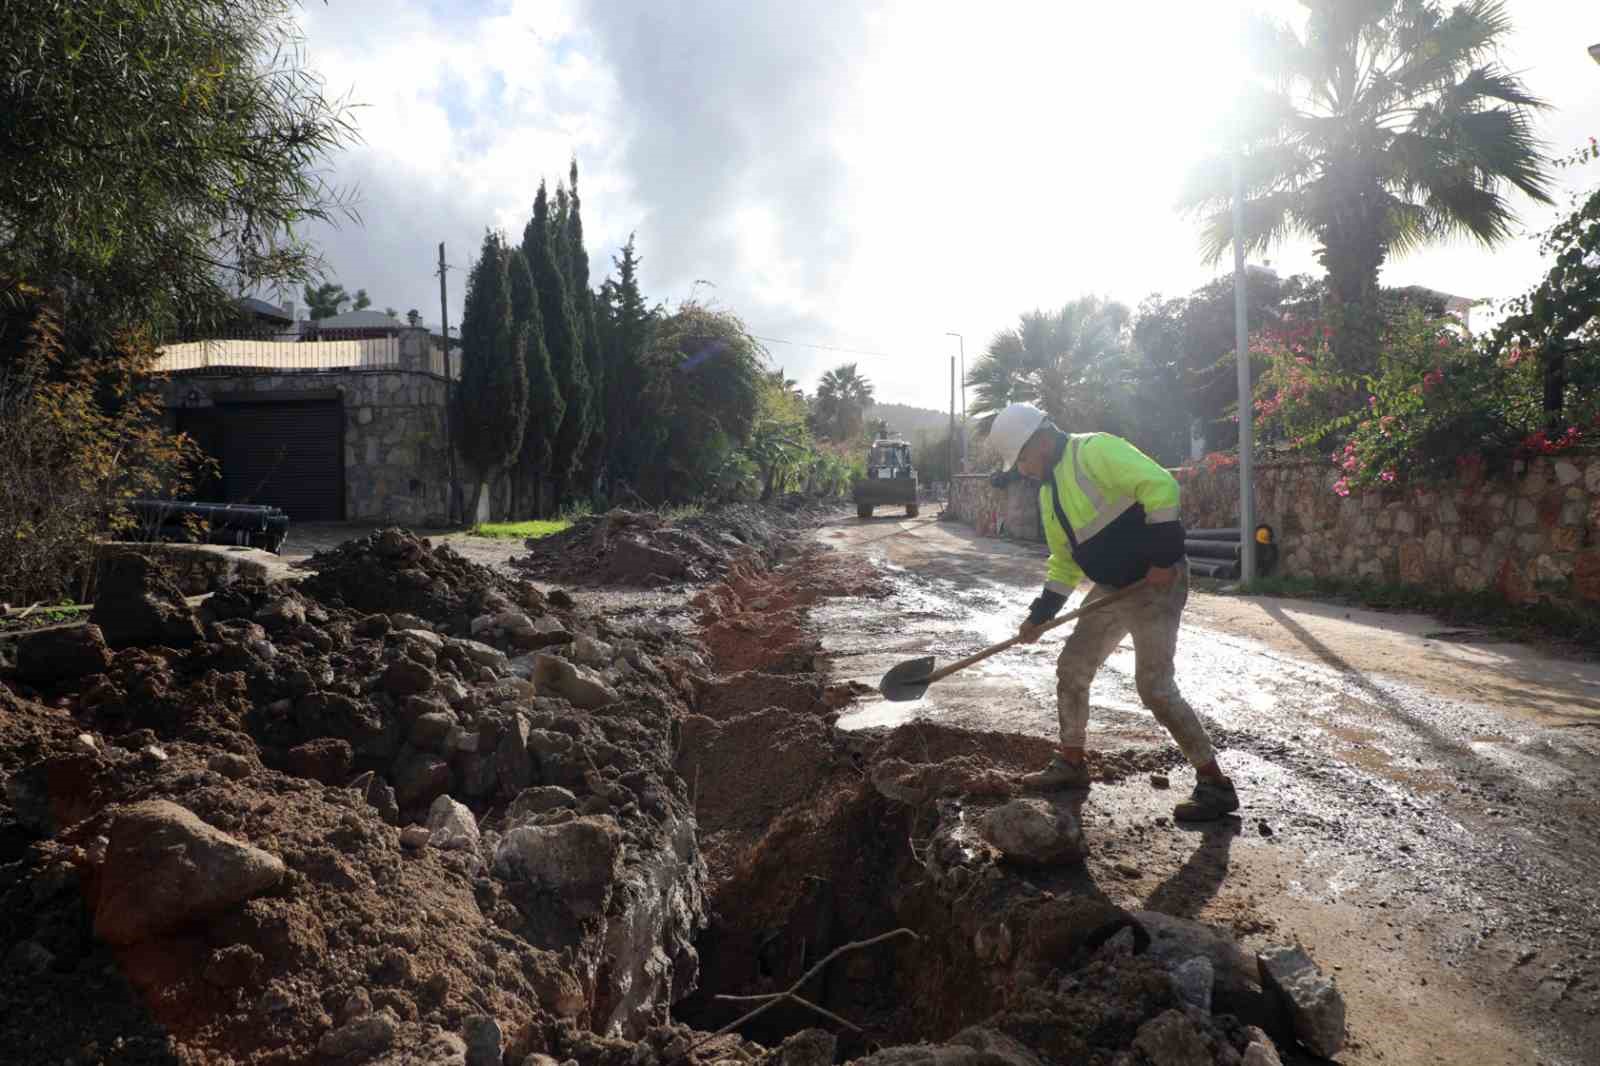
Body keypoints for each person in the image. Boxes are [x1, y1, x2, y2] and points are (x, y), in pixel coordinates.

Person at [985, 401, 1238, 821]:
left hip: (1156, 584)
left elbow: (1161, 487)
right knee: (1073, 666)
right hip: (1113, 589)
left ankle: (1214, 784)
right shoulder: (1049, 494)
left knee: (1154, 687)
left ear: (1041, 441)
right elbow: (1064, 564)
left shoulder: (1095, 451)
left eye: (1024, 460)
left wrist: (1163, 558)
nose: (1024, 471)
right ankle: (1071, 761)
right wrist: (1039, 616)